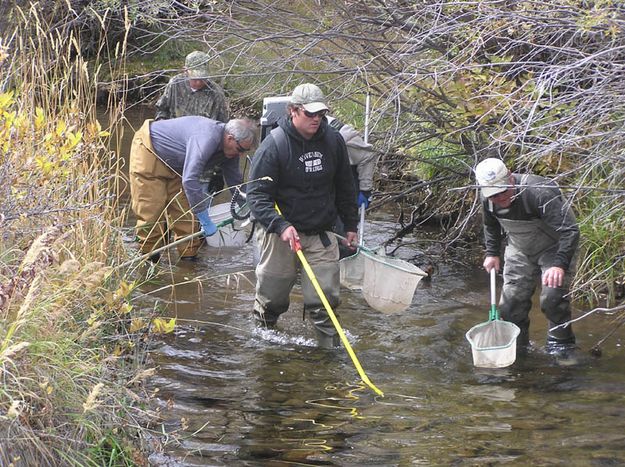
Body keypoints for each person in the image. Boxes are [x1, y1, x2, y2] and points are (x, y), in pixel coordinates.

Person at [247, 83, 359, 348]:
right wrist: (281, 226)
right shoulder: (274, 145)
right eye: (310, 114)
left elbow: (345, 186)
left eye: (320, 114)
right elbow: (257, 197)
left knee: (324, 302)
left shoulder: (333, 141)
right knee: (272, 301)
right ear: (292, 111)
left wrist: (351, 225)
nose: (316, 119)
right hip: (281, 235)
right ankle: (263, 345)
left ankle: (328, 355)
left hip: (321, 234)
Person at [475, 158, 580, 354]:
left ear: (510, 177)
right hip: (519, 249)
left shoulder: (539, 193)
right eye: (493, 195)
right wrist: (492, 253)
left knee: (552, 299)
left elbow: (570, 231)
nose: (499, 198)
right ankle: (518, 348)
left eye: (503, 191)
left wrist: (559, 264)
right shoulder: (487, 200)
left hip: (554, 248)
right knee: (510, 304)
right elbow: (491, 225)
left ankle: (562, 347)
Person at [129, 117, 257, 261]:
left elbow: (235, 181)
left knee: (186, 218)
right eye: (240, 149)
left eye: (244, 151)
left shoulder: (231, 150)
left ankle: (189, 263)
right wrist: (204, 217)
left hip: (176, 166)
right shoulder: (207, 138)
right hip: (150, 150)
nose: (241, 155)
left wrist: (248, 208)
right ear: (229, 138)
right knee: (151, 212)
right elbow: (190, 180)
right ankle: (148, 262)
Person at [326, 115, 377, 257]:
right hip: (327, 177)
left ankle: (345, 258)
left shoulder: (344, 138)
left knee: (344, 227)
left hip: (348, 176)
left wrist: (365, 190)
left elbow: (368, 156)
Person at [155, 51, 230, 122]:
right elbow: (161, 109)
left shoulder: (216, 92)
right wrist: (161, 121)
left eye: (203, 78)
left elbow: (222, 123)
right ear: (185, 71)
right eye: (195, 78)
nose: (198, 82)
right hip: (174, 132)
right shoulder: (175, 83)